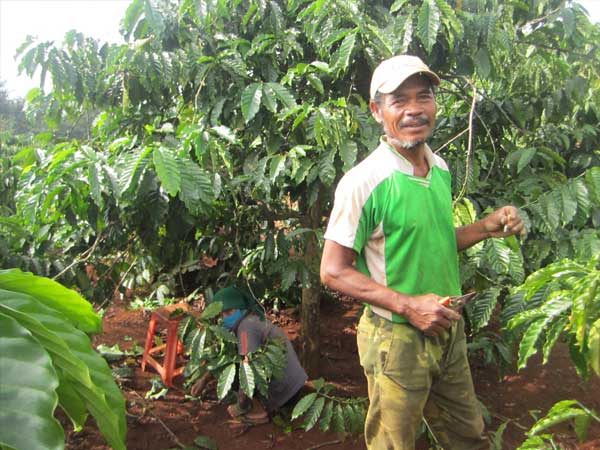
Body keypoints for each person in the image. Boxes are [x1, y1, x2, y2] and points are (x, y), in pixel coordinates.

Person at [320, 55, 525, 450]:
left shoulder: (440, 168)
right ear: (377, 111)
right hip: (397, 338)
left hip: (447, 327)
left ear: (435, 104)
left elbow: (434, 238)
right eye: (399, 100)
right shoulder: (364, 181)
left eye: (424, 97)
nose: (414, 109)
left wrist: (486, 227)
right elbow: (332, 270)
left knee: (468, 437)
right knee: (393, 444)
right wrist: (409, 306)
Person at [207, 286, 308, 424]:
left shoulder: (245, 328)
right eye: (222, 314)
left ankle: (259, 411)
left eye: (229, 312)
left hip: (285, 392)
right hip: (295, 385)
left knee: (239, 372)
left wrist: (241, 405)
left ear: (241, 309)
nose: (225, 318)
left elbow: (247, 367)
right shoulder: (253, 319)